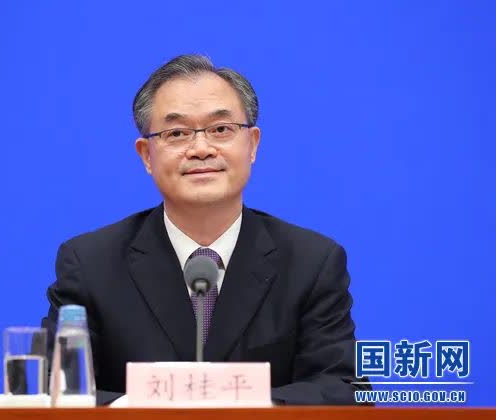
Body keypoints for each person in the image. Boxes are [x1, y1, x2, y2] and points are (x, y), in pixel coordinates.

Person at [42, 54, 370, 405]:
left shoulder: (311, 263)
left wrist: (242, 406)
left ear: (253, 144)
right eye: (177, 133)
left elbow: (344, 389)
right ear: (147, 155)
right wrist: (142, 408)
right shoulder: (91, 264)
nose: (200, 149)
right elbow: (54, 389)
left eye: (221, 129)